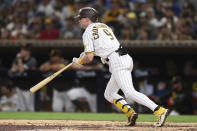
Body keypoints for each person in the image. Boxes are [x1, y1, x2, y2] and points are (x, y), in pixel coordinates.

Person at [72, 7, 169, 127]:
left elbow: (90, 58)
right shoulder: (103, 26)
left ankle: (159, 110)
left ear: (86, 19)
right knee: (109, 94)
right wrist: (88, 54)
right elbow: (104, 47)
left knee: (129, 92)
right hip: (122, 57)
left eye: (80, 19)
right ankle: (130, 112)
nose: (79, 21)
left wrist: (80, 61)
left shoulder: (87, 32)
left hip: (117, 60)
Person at [9, 44, 37, 111]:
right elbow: (11, 71)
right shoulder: (17, 60)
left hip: (29, 88)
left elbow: (21, 70)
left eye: (23, 51)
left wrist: (19, 59)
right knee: (21, 109)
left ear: (28, 52)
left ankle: (32, 121)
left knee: (30, 109)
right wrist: (19, 64)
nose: (20, 53)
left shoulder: (32, 60)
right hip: (19, 87)